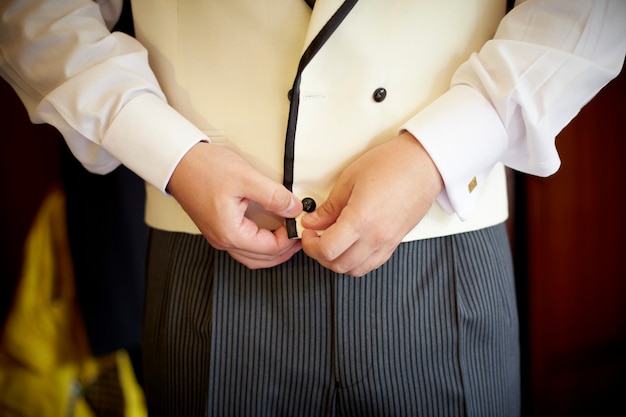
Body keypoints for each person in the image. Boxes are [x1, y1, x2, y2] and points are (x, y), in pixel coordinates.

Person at [1, 0, 624, 415]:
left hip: (443, 251)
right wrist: (171, 153)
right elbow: (35, 12)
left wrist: (436, 153)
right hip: (208, 260)